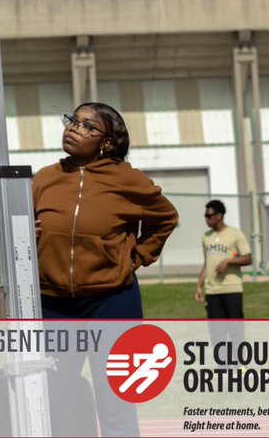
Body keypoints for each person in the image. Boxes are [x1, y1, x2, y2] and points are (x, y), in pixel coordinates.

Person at [33, 102, 180, 437]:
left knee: (115, 399)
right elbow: (26, 226)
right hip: (53, 304)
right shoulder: (45, 178)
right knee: (56, 400)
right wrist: (31, 235)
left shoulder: (129, 180)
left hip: (112, 302)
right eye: (72, 120)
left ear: (107, 142)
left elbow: (166, 219)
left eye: (87, 126)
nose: (73, 128)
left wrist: (134, 258)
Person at [194, 199, 251, 350]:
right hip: (212, 290)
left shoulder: (235, 234)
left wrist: (228, 261)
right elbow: (207, 263)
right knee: (217, 332)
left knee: (235, 330)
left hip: (232, 289)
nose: (206, 218)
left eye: (209, 215)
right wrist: (199, 286)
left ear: (219, 216)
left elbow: (248, 258)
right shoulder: (206, 237)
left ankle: (239, 365)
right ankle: (222, 367)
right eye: (205, 215)